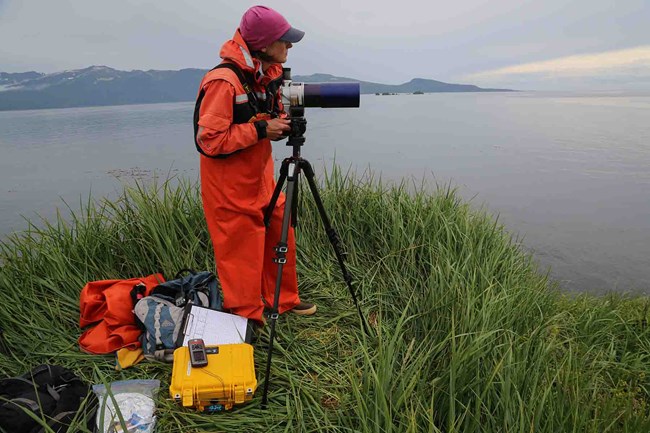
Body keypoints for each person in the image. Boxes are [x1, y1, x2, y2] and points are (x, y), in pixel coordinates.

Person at [194, 5, 316, 325]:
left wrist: (281, 124)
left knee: (281, 229)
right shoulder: (223, 81)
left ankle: (283, 301)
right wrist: (263, 129)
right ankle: (247, 319)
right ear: (262, 44)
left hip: (261, 178)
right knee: (242, 251)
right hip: (229, 187)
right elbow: (210, 141)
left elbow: (266, 118)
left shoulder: (266, 75)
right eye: (284, 40)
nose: (289, 46)